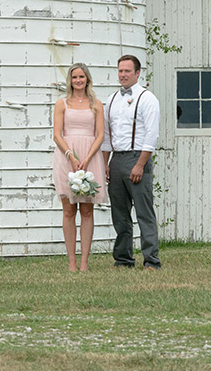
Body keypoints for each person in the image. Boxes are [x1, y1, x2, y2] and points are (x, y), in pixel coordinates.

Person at [101, 55, 161, 270]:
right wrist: (105, 163)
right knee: (119, 213)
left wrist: (140, 164)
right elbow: (108, 135)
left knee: (144, 212)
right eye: (120, 71)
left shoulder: (147, 98)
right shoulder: (111, 100)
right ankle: (123, 259)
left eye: (127, 71)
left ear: (137, 73)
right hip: (117, 159)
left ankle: (151, 260)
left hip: (138, 157)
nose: (123, 75)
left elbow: (151, 136)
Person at [52, 63, 107, 272]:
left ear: (87, 79)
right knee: (68, 210)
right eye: (75, 77)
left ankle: (84, 261)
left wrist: (88, 156)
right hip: (67, 157)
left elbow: (100, 134)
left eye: (81, 77)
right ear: (70, 80)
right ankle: (71, 262)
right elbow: (57, 134)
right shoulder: (62, 104)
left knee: (86, 209)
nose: (78, 80)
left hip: (89, 156)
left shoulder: (97, 104)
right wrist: (71, 156)